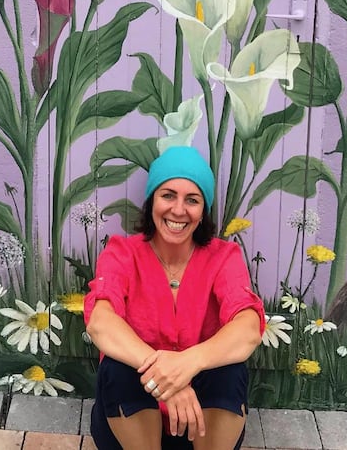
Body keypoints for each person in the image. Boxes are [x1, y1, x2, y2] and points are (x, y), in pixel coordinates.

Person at [84, 145, 265, 450]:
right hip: (131, 424)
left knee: (230, 372)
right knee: (116, 368)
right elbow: (100, 322)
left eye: (192, 200)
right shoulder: (122, 253)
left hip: (200, 423)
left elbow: (248, 328)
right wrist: (166, 381)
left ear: (203, 209)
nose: (178, 210)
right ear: (152, 200)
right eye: (168, 195)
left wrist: (188, 364)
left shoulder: (224, 257)